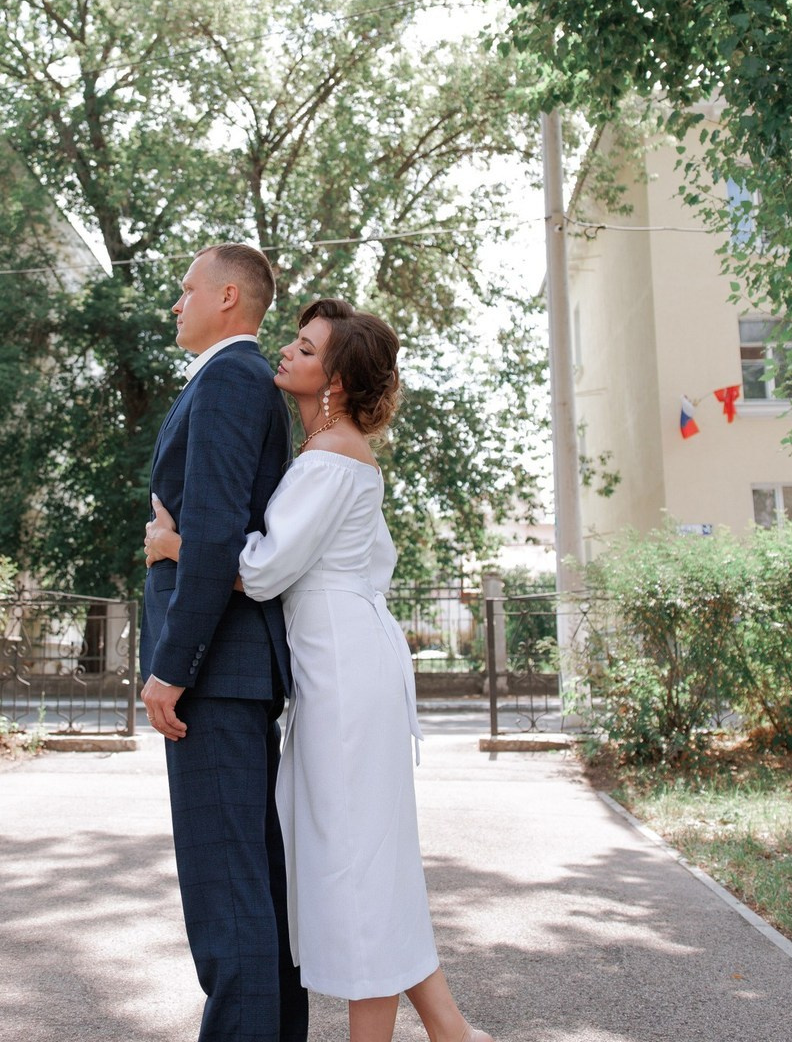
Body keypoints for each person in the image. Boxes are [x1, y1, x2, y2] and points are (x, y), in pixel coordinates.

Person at [146, 297, 496, 1042]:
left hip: (343, 670)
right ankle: (449, 1029)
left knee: (354, 861)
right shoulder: (328, 453)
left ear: (333, 380)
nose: (288, 355)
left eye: (306, 350)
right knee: (359, 854)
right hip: (336, 661)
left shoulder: (332, 457)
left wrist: (176, 546)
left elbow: (266, 570)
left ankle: (439, 1032)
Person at [140, 244, 309, 1042]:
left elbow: (213, 532)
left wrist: (172, 668)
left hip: (217, 675)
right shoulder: (234, 379)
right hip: (230, 672)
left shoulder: (232, 378)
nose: (177, 304)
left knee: (228, 891)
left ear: (229, 297)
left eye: (186, 290)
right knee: (247, 883)